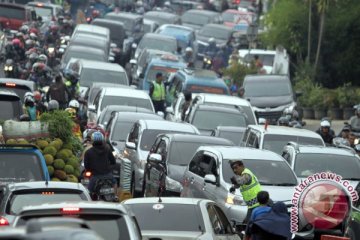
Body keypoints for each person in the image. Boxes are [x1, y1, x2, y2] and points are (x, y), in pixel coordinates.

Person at [84, 131, 117, 198]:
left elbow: (86, 166)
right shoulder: (107, 149)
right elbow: (113, 161)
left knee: (89, 193)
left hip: (95, 177)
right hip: (108, 175)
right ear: (102, 140)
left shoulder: (88, 152)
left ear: (92, 141)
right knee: (115, 183)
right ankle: (115, 196)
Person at [229, 160, 262, 226]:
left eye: (236, 167)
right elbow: (241, 184)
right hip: (252, 206)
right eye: (233, 169)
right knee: (248, 224)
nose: (234, 170)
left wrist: (236, 180)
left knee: (248, 225)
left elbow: (242, 181)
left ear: (242, 166)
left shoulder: (247, 174)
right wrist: (234, 187)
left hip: (258, 205)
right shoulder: (242, 174)